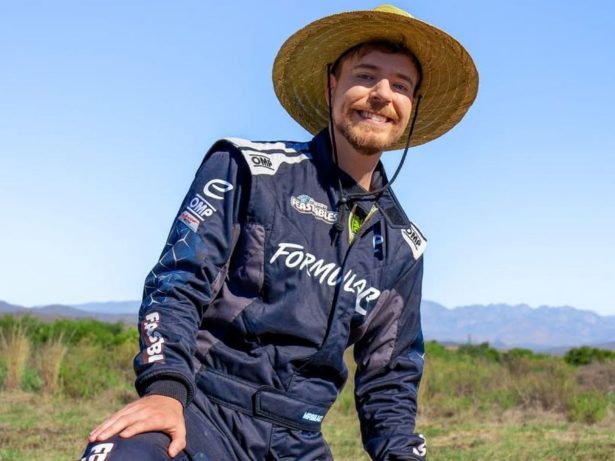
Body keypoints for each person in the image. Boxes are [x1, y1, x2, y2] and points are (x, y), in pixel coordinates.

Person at [81, 4, 478, 461]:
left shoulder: (401, 246)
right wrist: (164, 389)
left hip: (299, 441)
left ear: (411, 108)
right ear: (332, 84)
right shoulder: (250, 169)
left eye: (401, 86)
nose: (382, 94)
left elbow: (390, 377)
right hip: (202, 414)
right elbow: (178, 283)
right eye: (366, 76)